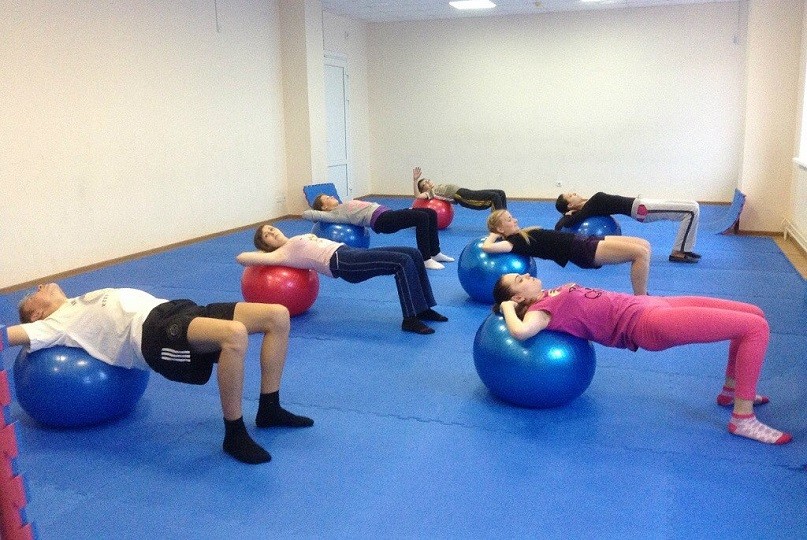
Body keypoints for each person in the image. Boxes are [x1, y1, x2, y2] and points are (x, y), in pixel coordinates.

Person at [0, 284, 313, 465]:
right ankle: (234, 434)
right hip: (152, 334)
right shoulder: (51, 326)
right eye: (34, 293)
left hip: (176, 308)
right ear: (36, 314)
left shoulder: (76, 301)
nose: (40, 287)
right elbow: (7, 336)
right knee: (234, 335)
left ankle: (269, 408)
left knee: (278, 315)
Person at [492, 273, 791, 445]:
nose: (526, 275)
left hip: (649, 303)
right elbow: (520, 332)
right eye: (519, 280)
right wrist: (506, 308)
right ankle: (742, 418)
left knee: (754, 314)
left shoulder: (547, 294)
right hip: (646, 324)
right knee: (755, 328)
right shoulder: (539, 312)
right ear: (517, 298)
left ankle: (731, 391)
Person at [237, 223, 448, 335]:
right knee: (401, 262)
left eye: (270, 229)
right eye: (266, 236)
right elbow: (242, 258)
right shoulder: (280, 254)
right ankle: (410, 319)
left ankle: (424, 308)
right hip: (343, 263)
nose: (271, 232)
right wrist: (263, 254)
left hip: (348, 251)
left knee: (414, 253)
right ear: (266, 245)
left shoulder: (295, 239)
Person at [483, 209, 651, 295]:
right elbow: (487, 247)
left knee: (645, 245)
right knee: (640, 254)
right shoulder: (512, 243)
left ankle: (643, 295)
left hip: (584, 239)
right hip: (581, 250)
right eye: (509, 220)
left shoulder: (521, 234)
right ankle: (641, 299)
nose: (515, 220)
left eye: (512, 217)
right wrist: (493, 235)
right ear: (500, 228)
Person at [302, 194, 453, 270]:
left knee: (430, 213)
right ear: (324, 207)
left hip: (388, 213)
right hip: (382, 221)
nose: (332, 196)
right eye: (327, 198)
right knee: (422, 218)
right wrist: (319, 213)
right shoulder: (334, 214)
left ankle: (435, 252)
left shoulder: (342, 206)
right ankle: (425, 258)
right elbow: (307, 214)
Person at [554, 192, 701, 263]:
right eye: (570, 195)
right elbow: (561, 225)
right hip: (642, 210)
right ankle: (679, 252)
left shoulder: (588, 206)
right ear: (570, 205)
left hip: (642, 203)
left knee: (693, 206)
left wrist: (569, 214)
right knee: (691, 210)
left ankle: (683, 249)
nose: (574, 193)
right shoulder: (589, 207)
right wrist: (567, 215)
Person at [412, 166, 507, 210]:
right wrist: (415, 180)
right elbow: (417, 196)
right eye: (425, 184)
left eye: (427, 180)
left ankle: (505, 218)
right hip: (461, 196)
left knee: (500, 193)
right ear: (423, 189)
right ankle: (499, 225)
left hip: (464, 191)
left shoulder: (436, 186)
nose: (428, 182)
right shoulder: (431, 193)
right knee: (494, 197)